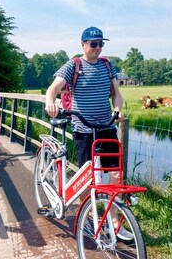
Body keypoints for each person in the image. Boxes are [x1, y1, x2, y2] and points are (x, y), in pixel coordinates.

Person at [45, 26, 132, 240]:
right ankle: (90, 215)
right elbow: (53, 89)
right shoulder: (73, 65)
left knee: (115, 174)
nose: (97, 48)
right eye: (93, 44)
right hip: (83, 129)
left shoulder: (106, 65)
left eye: (101, 44)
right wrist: (50, 103)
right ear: (83, 45)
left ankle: (113, 221)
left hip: (107, 126)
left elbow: (117, 95)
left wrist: (118, 110)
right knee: (87, 177)